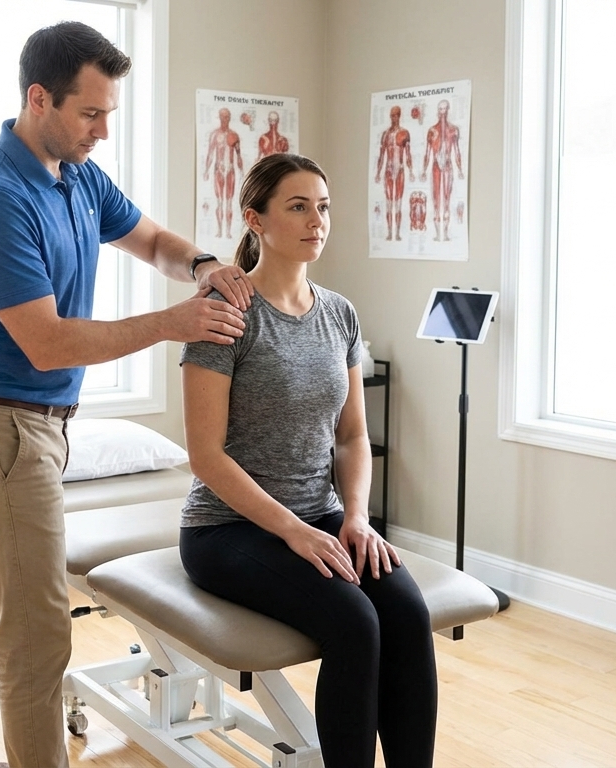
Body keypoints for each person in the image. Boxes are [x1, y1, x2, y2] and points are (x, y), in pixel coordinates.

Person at [0, 21, 255, 768]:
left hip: (33, 424)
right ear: (40, 100)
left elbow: (152, 239)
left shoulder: (77, 175)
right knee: (36, 637)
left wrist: (199, 264)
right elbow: (49, 342)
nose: (102, 131)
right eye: (90, 114)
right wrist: (174, 322)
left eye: (109, 114)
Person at [179, 154, 438, 768]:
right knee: (354, 622)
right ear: (255, 219)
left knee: (405, 612)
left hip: (321, 516)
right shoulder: (225, 317)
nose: (316, 220)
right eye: (297, 206)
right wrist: (293, 531)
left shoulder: (339, 314)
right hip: (227, 528)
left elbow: (351, 436)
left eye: (322, 207)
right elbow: (205, 456)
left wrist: (355, 516)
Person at [422, 98, 465, 241]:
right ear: (437, 111)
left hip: (447, 166)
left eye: (445, 109)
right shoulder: (432, 131)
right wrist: (423, 170)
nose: (442, 112)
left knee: (446, 199)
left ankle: (445, 234)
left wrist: (460, 169)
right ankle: (437, 233)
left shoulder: (453, 130)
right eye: (440, 109)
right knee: (436, 199)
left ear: (448, 110)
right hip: (435, 166)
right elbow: (427, 152)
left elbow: (457, 151)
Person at [203, 106, 244, 238]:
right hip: (219, 169)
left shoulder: (234, 135)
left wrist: (242, 171)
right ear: (219, 118)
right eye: (222, 116)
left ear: (229, 118)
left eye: (227, 117)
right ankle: (220, 231)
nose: (224, 119)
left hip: (230, 170)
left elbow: (238, 155)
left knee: (229, 202)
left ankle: (228, 232)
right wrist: (206, 170)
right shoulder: (214, 135)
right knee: (220, 201)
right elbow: (210, 154)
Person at [374, 104, 414, 241]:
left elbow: (408, 154)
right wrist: (378, 173)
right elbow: (381, 155)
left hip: (400, 171)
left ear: (399, 116)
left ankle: (397, 233)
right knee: (389, 203)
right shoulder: (385, 135)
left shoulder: (404, 133)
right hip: (389, 171)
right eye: (392, 115)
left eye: (396, 115)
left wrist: (412, 171)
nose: (393, 118)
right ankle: (390, 232)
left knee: (398, 203)